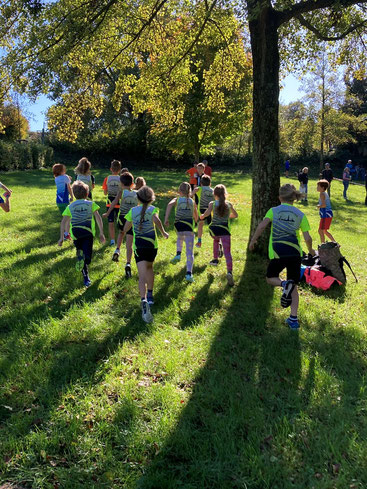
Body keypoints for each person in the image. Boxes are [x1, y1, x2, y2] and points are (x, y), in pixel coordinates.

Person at [249, 183, 315, 330]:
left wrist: (253, 240)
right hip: (295, 253)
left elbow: (261, 226)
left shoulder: (274, 211)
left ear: (279, 197)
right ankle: (293, 319)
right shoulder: (300, 214)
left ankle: (284, 284)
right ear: (294, 198)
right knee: (294, 286)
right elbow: (308, 238)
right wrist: (311, 251)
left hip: (278, 253)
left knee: (270, 277)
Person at [119, 186, 169, 323]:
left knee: (142, 276)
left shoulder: (132, 211)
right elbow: (157, 221)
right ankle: (151, 295)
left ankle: (143, 299)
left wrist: (126, 229)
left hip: (139, 246)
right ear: (151, 198)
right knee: (150, 269)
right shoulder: (153, 210)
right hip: (152, 246)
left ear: (138, 198)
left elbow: (125, 228)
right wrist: (163, 232)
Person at [58, 181, 106, 287]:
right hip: (87, 232)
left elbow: (63, 222)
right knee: (87, 253)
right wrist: (101, 233)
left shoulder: (70, 206)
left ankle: (86, 278)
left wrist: (62, 237)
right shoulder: (91, 204)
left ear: (74, 194)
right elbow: (98, 218)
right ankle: (86, 258)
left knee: (80, 253)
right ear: (87, 193)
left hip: (75, 233)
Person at [200, 184, 238, 286]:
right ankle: (229, 272)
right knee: (228, 253)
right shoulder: (229, 205)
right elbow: (235, 215)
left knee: (215, 240)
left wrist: (202, 216)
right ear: (225, 194)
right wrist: (227, 216)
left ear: (214, 194)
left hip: (214, 231)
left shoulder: (212, 204)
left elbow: (207, 214)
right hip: (225, 231)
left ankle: (215, 259)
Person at [103, 172, 137, 278]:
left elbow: (114, 202)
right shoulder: (137, 193)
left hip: (122, 218)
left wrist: (108, 213)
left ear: (121, 184)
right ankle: (128, 263)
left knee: (121, 233)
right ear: (132, 183)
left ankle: (117, 249)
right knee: (129, 243)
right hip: (132, 219)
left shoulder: (121, 192)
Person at [164, 182, 198, 283]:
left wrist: (166, 218)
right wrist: (196, 220)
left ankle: (178, 254)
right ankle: (189, 274)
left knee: (180, 237)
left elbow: (169, 205)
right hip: (188, 226)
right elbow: (196, 215)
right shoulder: (192, 201)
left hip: (178, 225)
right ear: (190, 192)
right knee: (189, 252)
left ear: (179, 191)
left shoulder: (177, 199)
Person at [102, 159, 122, 246]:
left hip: (110, 202)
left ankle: (112, 240)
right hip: (119, 202)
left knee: (111, 222)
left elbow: (105, 192)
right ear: (120, 170)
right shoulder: (122, 179)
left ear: (111, 169)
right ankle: (121, 238)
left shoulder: (107, 178)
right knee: (120, 221)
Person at [192, 174, 214, 248]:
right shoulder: (212, 190)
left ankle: (199, 241)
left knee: (200, 225)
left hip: (201, 210)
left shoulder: (199, 189)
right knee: (211, 226)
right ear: (210, 183)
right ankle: (217, 240)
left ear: (201, 183)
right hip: (210, 210)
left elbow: (192, 194)